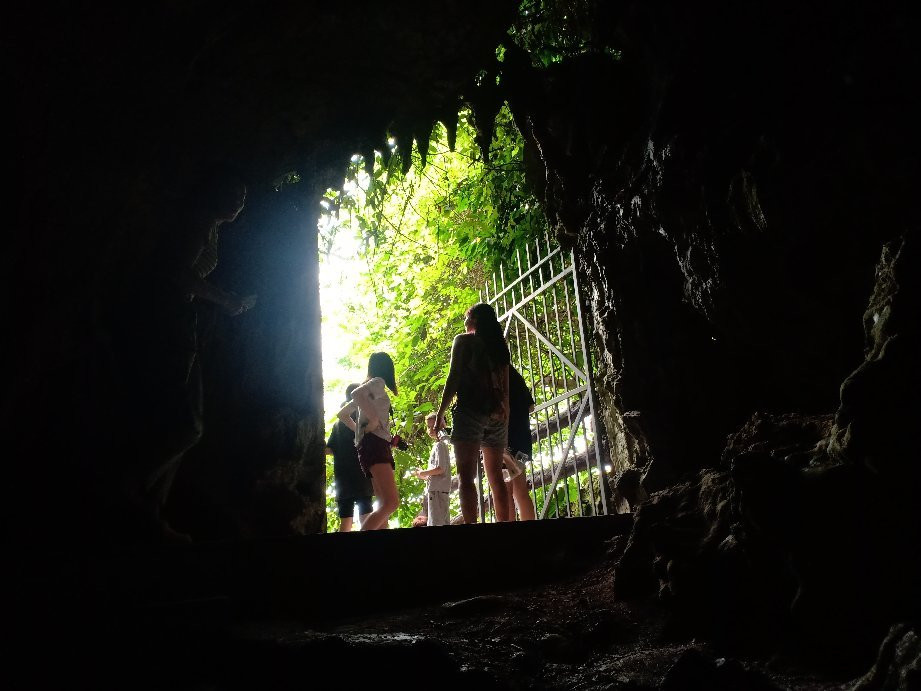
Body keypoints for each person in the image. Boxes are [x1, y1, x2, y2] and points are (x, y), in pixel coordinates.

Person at [122, 164, 257, 543]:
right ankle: (130, 491)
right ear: (213, 192)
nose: (238, 203)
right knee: (181, 422)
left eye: (244, 198)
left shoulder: (210, 228)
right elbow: (175, 274)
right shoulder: (197, 222)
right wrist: (224, 299)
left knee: (191, 424)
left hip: (181, 318)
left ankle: (150, 512)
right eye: (232, 194)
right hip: (166, 320)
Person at [435, 303, 511, 523]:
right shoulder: (499, 346)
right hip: (497, 415)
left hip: (470, 411)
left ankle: (472, 529)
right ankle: (504, 526)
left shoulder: (464, 341)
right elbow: (505, 389)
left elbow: (453, 378)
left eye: (466, 318)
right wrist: (505, 414)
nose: (465, 322)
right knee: (496, 476)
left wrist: (441, 412)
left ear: (474, 320)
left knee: (466, 477)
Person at [337, 352, 399, 531]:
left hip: (368, 447)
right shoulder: (378, 382)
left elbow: (342, 414)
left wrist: (361, 432)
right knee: (391, 503)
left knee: (382, 505)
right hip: (376, 445)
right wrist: (372, 422)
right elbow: (356, 394)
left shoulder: (369, 389)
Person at [326, 383, 374, 532]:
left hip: (343, 478)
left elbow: (329, 450)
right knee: (366, 519)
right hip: (361, 475)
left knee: (345, 521)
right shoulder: (362, 415)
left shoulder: (337, 424)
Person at [503, 366, 537, 520]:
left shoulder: (497, 374)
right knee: (520, 490)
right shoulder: (515, 376)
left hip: (505, 440)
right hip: (522, 441)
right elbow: (531, 407)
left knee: (505, 490)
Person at [415, 413, 452, 526]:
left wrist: (423, 472)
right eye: (428, 426)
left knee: (436, 522)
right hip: (438, 490)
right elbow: (438, 472)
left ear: (442, 426)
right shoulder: (438, 445)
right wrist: (425, 476)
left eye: (433, 426)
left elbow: (441, 468)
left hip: (437, 492)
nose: (431, 429)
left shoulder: (440, 445)